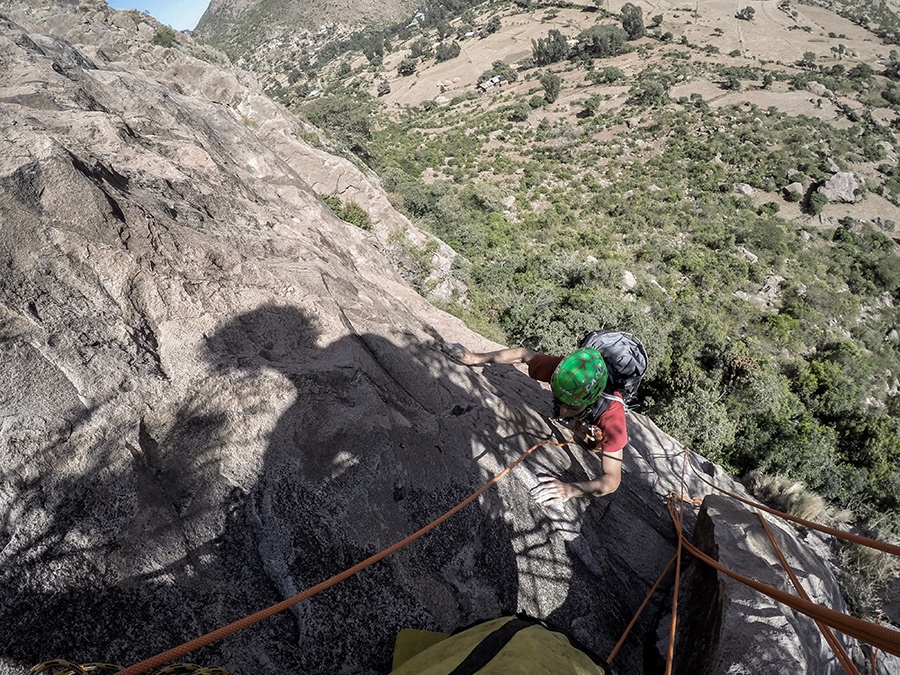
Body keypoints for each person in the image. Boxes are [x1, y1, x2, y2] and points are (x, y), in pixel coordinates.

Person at [446, 343, 626, 506]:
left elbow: (611, 481)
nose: (562, 413)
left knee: (595, 445)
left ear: (591, 401)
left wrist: (569, 490)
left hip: (598, 419)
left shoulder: (612, 417)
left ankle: (593, 434)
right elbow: (523, 354)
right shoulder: (564, 373)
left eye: (570, 407)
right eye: (558, 400)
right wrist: (475, 357)